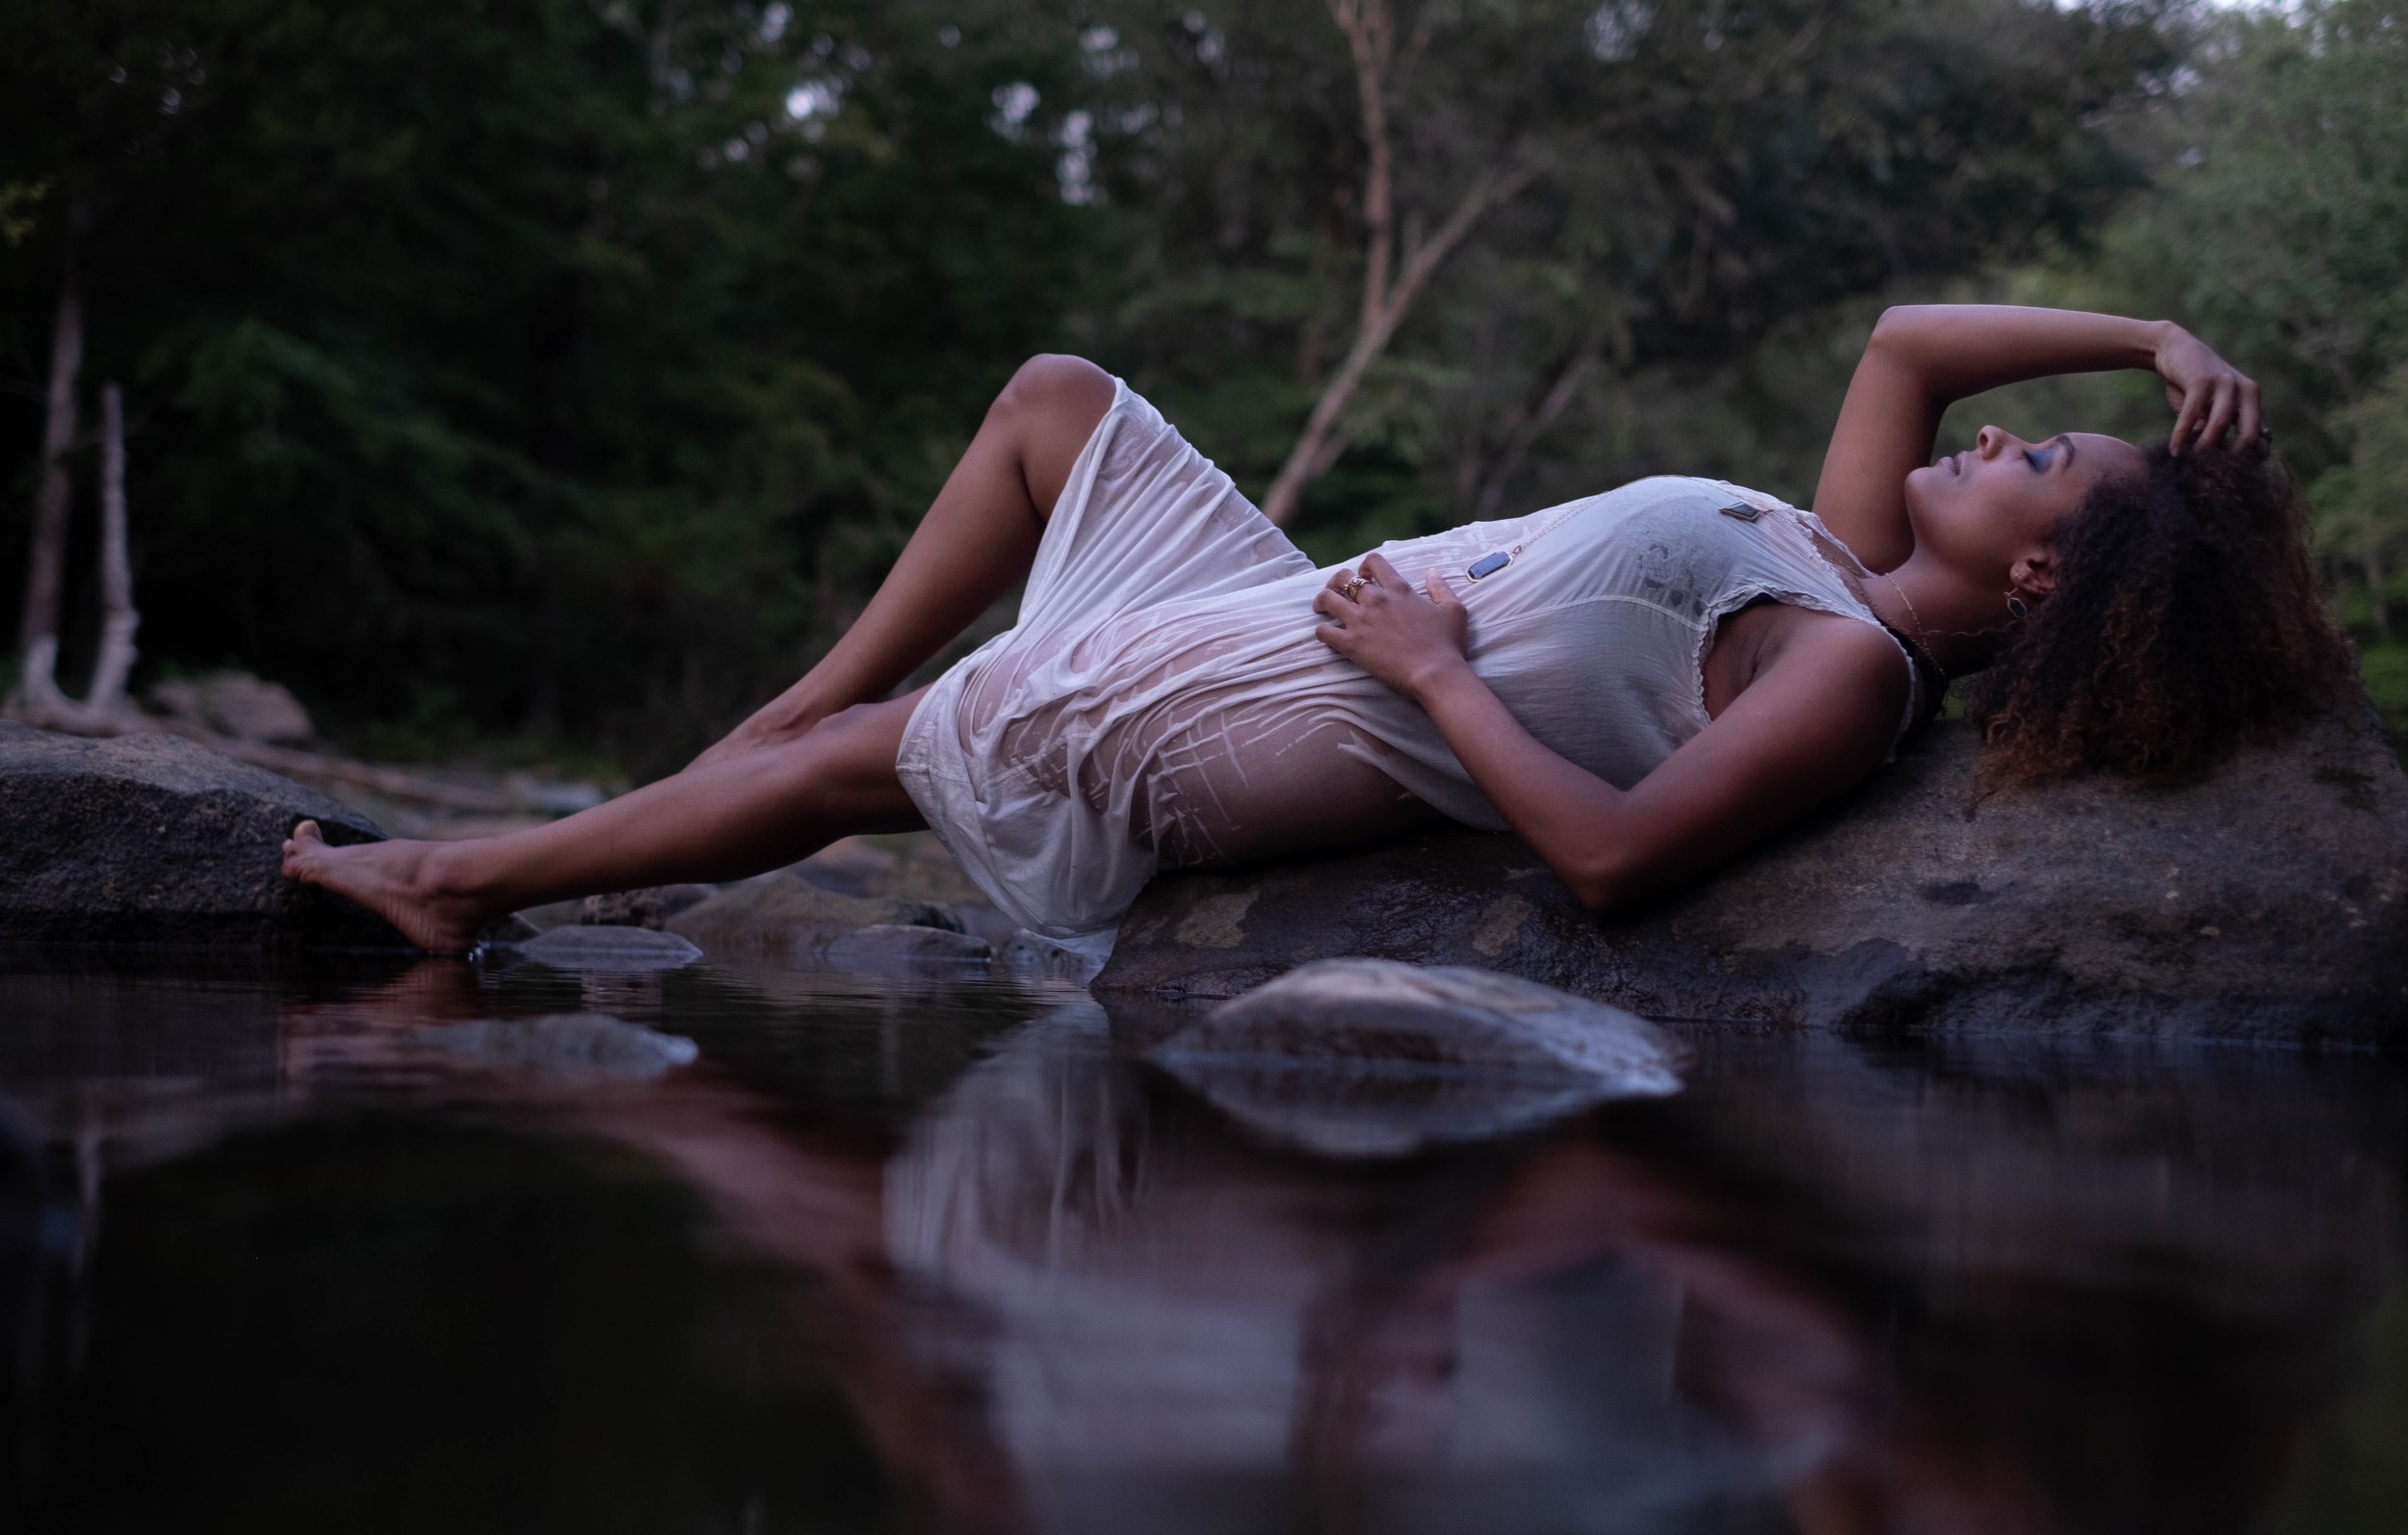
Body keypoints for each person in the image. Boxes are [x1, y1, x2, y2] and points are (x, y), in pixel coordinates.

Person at [281, 304, 2356, 957]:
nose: (1987, 435)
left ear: (2024, 590)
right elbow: (1906, 337)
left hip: (1311, 697)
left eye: (2036, 465)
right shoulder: (1823, 562)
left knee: (907, 755)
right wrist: (2144, 334)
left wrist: (1434, 677)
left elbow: (1618, 868)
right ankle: (795, 700)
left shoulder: (1840, 675)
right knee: (1055, 400)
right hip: (1287, 602)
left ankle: (456, 884)